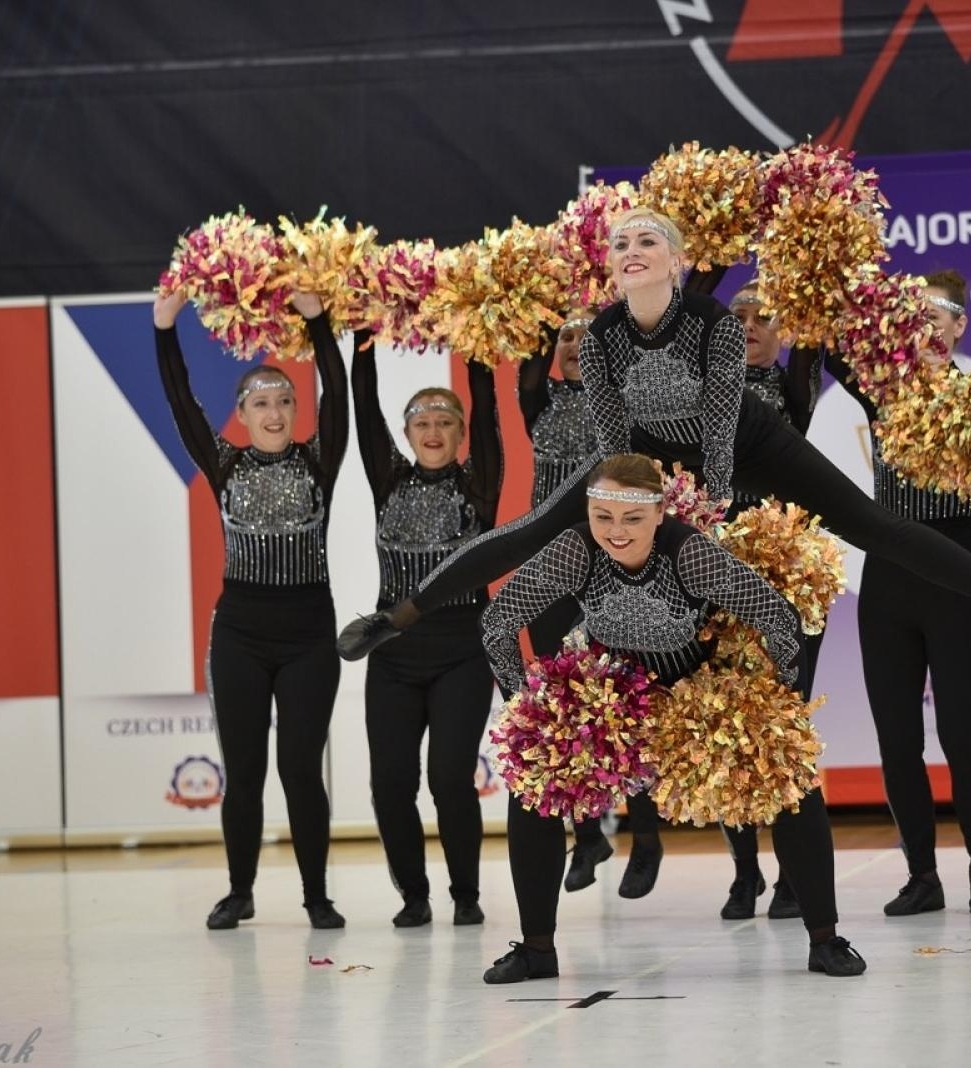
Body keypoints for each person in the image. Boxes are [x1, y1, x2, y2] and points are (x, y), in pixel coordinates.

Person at [338, 207, 971, 666]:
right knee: (532, 529)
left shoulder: (713, 323)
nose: (632, 248)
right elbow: (614, 438)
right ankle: (392, 619)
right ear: (613, 264)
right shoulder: (598, 337)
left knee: (876, 525)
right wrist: (634, 506)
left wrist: (711, 504)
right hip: (644, 454)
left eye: (648, 240)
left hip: (746, 441)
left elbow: (722, 425)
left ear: (676, 260)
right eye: (621, 241)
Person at [478, 454, 867, 982]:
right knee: (534, 786)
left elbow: (778, 617)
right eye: (603, 517)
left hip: (699, 699)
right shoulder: (574, 550)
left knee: (793, 784)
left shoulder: (691, 555)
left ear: (660, 513)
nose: (615, 533)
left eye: (632, 518)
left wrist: (785, 705)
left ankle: (825, 939)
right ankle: (537, 950)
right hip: (614, 701)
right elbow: (498, 623)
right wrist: (525, 706)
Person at [153, 288, 348, 931]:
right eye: (260, 402)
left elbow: (339, 394)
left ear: (296, 410)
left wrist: (319, 324)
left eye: (283, 400)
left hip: (308, 635)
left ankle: (317, 895)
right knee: (245, 771)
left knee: (299, 767)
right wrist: (164, 325)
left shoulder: (320, 460)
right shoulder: (224, 461)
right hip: (239, 632)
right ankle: (239, 891)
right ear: (241, 413)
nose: (273, 410)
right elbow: (182, 401)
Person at [825, 269, 971, 917]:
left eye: (939, 314)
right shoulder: (881, 391)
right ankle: (922, 877)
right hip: (891, 575)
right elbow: (828, 347)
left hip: (959, 569)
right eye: (914, 314)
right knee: (898, 739)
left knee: (963, 737)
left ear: (961, 326)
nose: (926, 324)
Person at [352, 335, 501, 928]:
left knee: (448, 779)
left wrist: (480, 330)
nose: (433, 431)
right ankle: (413, 895)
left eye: (445, 421)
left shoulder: (478, 484)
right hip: (393, 652)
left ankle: (466, 893)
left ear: (462, 434)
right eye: (421, 422)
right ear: (407, 435)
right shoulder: (388, 480)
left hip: (462, 650)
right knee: (390, 782)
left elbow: (489, 412)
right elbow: (362, 412)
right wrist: (360, 345)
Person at [518, 309, 664, 897]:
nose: (576, 344)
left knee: (630, 701)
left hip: (612, 568)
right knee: (560, 705)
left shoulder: (625, 403)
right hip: (554, 575)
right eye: (566, 337)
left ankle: (647, 836)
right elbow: (524, 356)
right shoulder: (540, 402)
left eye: (587, 335)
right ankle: (587, 834)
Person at [718, 281, 822, 922]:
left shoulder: (792, 390)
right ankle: (745, 872)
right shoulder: (702, 390)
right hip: (716, 573)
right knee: (722, 721)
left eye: (765, 317)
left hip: (787, 580)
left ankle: (790, 875)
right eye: (739, 317)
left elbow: (814, 338)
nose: (752, 325)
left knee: (783, 723)